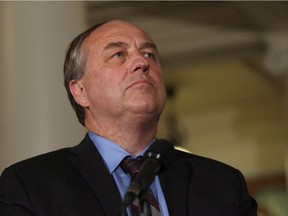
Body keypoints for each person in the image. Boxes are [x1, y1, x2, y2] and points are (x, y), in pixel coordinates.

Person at [0, 19, 258, 216]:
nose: (142, 63)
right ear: (81, 91)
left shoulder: (222, 184)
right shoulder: (30, 186)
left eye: (149, 55)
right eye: (118, 55)